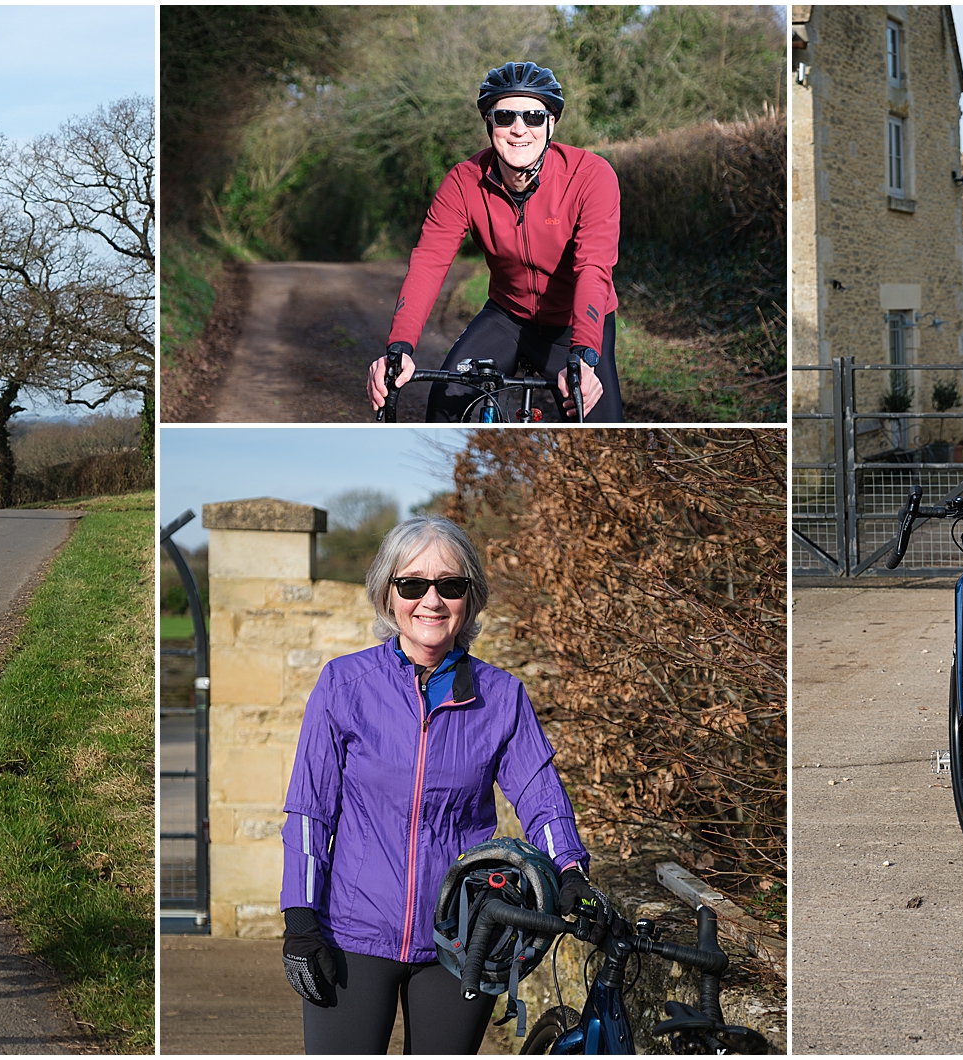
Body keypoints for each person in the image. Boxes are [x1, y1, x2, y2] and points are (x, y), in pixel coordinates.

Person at [279, 515, 598, 1053]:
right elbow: (311, 811)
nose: (431, 600)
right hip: (353, 933)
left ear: (469, 599)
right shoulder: (343, 684)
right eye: (412, 585)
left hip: (462, 937)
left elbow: (541, 798)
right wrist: (300, 920)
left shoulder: (502, 697)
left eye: (450, 585)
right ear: (388, 593)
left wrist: (569, 869)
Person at [365, 61, 624, 422]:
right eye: (505, 117)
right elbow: (428, 264)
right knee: (445, 402)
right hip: (507, 316)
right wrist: (398, 348)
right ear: (489, 123)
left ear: (552, 122)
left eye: (533, 116)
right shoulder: (463, 181)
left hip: (572, 324)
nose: (519, 130)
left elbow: (593, 268)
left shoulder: (591, 176)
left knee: (599, 432)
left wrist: (583, 356)